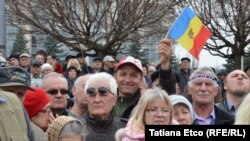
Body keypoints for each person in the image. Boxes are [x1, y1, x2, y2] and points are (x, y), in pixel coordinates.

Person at [114, 38, 176, 119]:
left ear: (141, 79)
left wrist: (165, 64)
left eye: (133, 75)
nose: (127, 80)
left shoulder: (148, 102)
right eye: (123, 74)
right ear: (115, 77)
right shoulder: (104, 100)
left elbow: (169, 94)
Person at [83, 72, 126, 141]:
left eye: (103, 95)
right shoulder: (73, 128)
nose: (97, 100)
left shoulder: (127, 129)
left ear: (114, 99)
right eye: (92, 95)